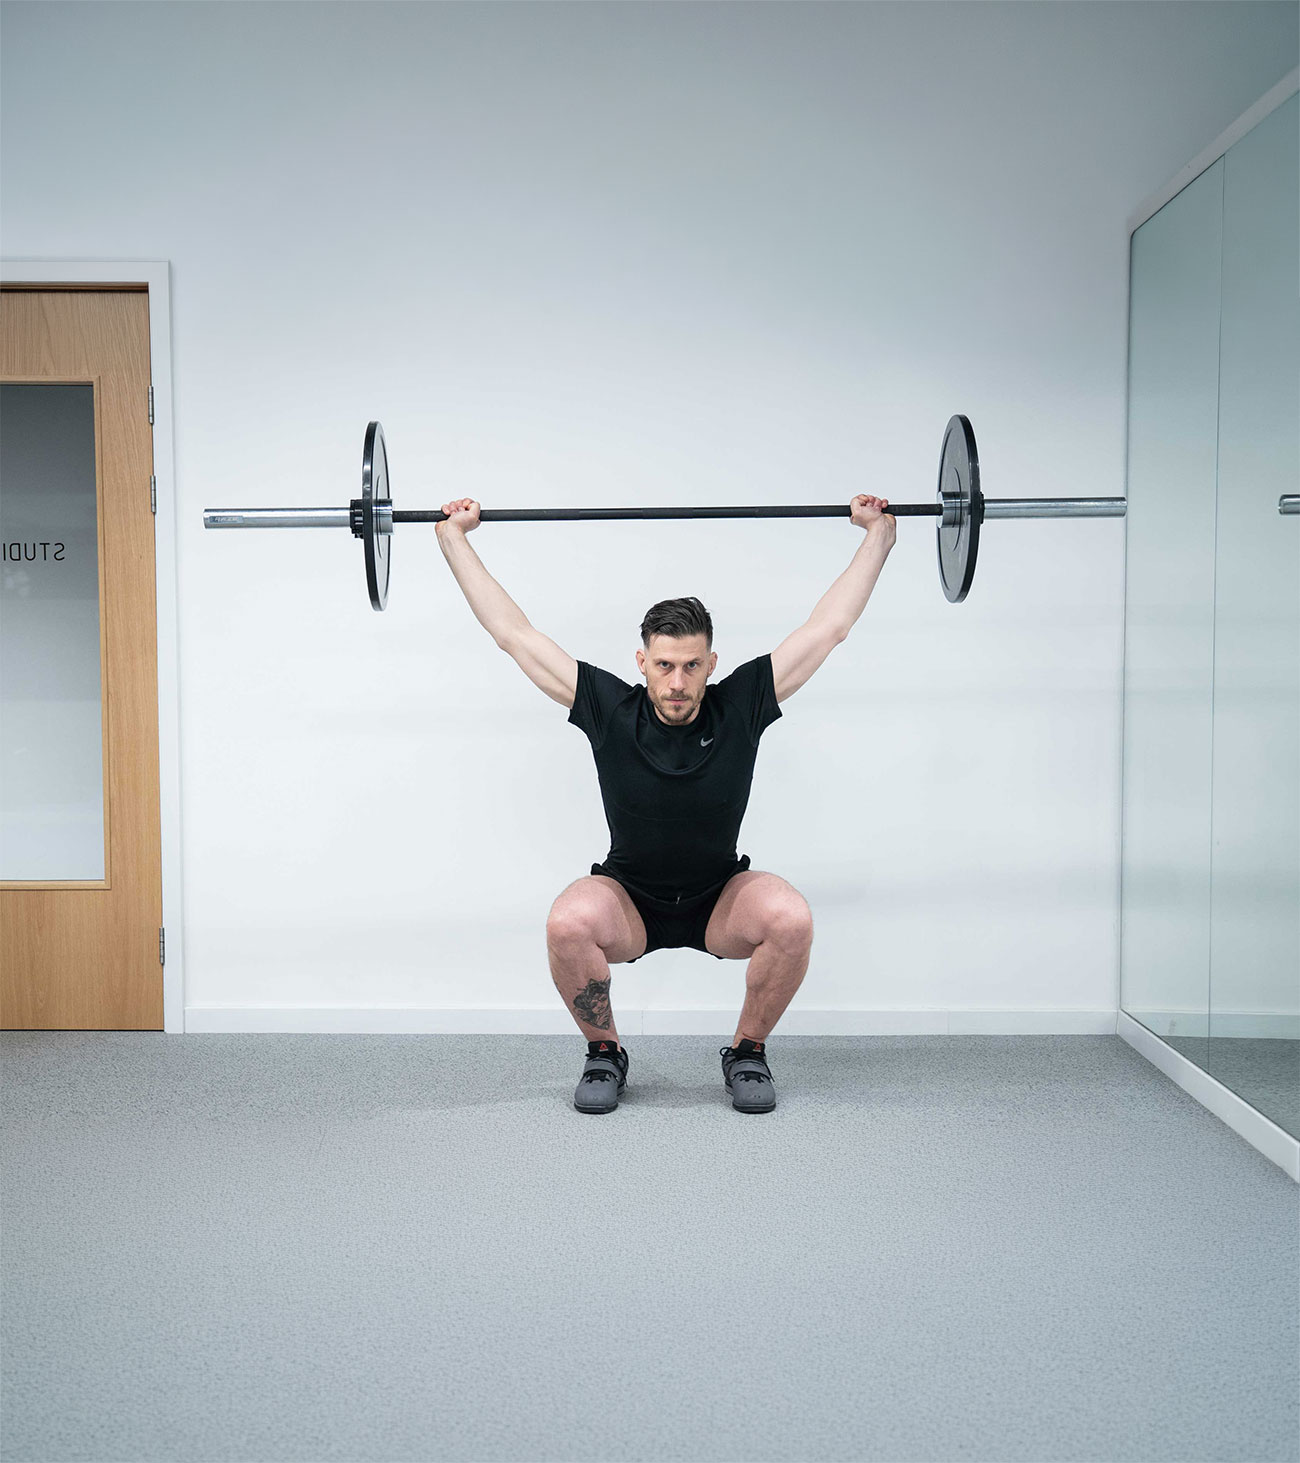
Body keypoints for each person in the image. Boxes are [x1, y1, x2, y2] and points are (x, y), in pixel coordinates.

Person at [436, 491, 896, 1114]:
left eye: (690, 666)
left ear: (711, 663)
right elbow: (513, 635)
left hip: (719, 899)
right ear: (641, 662)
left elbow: (829, 629)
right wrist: (454, 541)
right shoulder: (607, 708)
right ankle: (604, 1055)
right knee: (566, 922)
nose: (677, 682)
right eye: (663, 665)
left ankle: (748, 1054)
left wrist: (878, 536)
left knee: (791, 919)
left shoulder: (743, 704)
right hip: (629, 898)